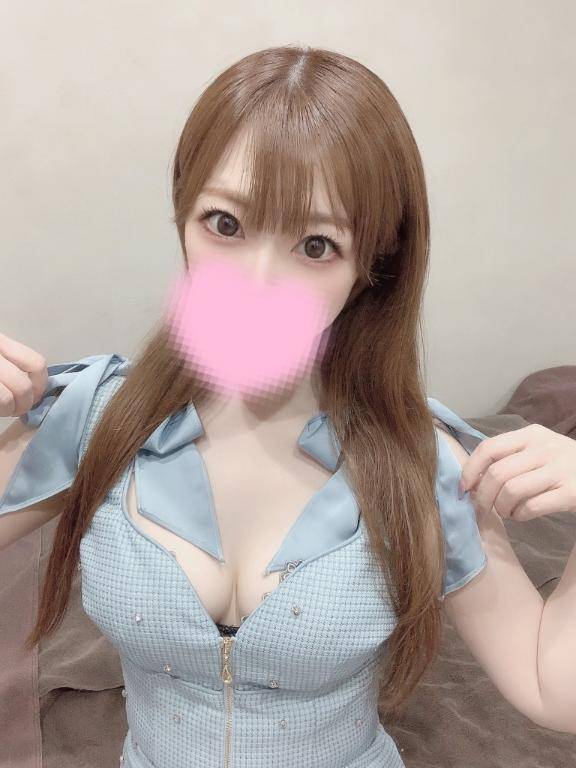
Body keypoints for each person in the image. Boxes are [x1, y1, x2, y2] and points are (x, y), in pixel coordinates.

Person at [1, 45, 576, 768]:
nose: (256, 282)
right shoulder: (94, 419)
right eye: (225, 224)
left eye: (315, 244)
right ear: (182, 211)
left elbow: (551, 688)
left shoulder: (421, 465)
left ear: (374, 264)